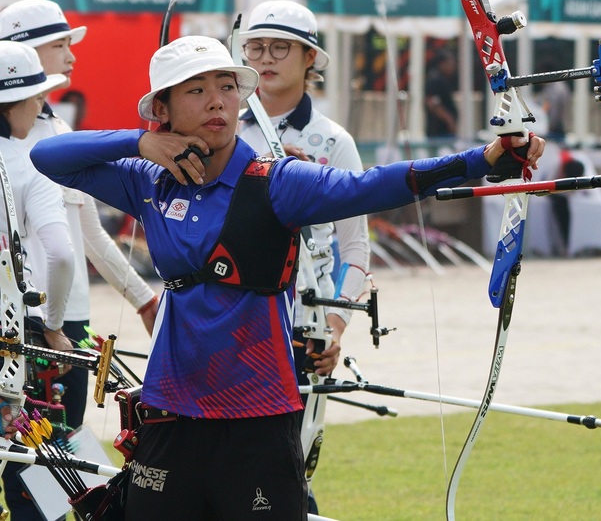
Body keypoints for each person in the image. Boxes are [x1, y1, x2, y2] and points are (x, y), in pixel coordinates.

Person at [30, 35, 544, 520]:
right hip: (169, 412)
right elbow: (46, 155)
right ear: (162, 109)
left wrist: (485, 158)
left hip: (257, 416)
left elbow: (372, 186)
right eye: (196, 89)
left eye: (227, 87)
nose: (217, 101)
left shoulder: (279, 182)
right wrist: (142, 143)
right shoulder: (148, 181)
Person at [0, 0, 159, 434]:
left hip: (68, 319)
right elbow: (62, 250)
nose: (71, 56)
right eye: (59, 44)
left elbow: (88, 233)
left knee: (56, 454)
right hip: (35, 322)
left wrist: (142, 298)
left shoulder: (60, 133)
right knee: (36, 464)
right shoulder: (27, 140)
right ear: (22, 51)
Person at [237, 0, 369, 379]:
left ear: (309, 56)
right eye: (256, 46)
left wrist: (334, 325)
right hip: (231, 316)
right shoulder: (226, 130)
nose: (266, 58)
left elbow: (356, 247)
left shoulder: (333, 141)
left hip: (305, 324)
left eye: (280, 46)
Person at [0, 40, 76, 521]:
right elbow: (62, 255)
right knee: (37, 488)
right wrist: (53, 325)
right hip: (13, 345)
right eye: (36, 96)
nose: (42, 104)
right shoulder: (33, 160)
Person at [424, 49, 458, 139]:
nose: (453, 67)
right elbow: (433, 103)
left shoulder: (444, 79)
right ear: (442, 64)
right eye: (451, 64)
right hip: (438, 131)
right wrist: (449, 120)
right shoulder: (435, 80)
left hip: (444, 131)